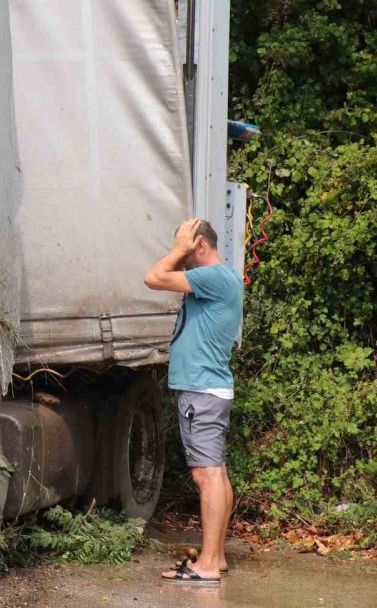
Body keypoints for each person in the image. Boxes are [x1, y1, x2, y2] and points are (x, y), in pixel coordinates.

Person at [144, 218, 243, 585]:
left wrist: (178, 250)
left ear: (199, 244)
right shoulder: (224, 278)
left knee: (206, 475)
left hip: (201, 390)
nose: (183, 260)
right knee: (216, 472)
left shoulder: (213, 276)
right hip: (209, 388)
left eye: (188, 249)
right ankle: (214, 558)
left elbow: (153, 277)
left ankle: (206, 567)